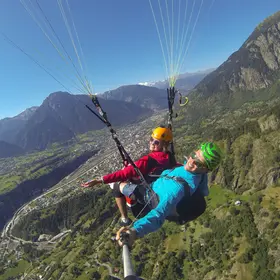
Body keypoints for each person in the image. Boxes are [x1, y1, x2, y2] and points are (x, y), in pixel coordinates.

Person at [115, 142, 223, 247]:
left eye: (198, 163)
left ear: (205, 169)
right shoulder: (199, 175)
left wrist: (134, 231)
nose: (192, 161)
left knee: (116, 185)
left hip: (149, 195)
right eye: (194, 155)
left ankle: (125, 218)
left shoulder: (176, 190)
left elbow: (158, 216)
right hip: (155, 184)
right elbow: (204, 191)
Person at [81, 126, 177, 226]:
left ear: (164, 145)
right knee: (130, 179)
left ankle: (124, 219)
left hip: (146, 202)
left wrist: (99, 180)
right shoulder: (169, 156)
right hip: (157, 191)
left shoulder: (149, 160)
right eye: (151, 139)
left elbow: (123, 174)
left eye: (156, 142)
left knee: (116, 185)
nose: (152, 143)